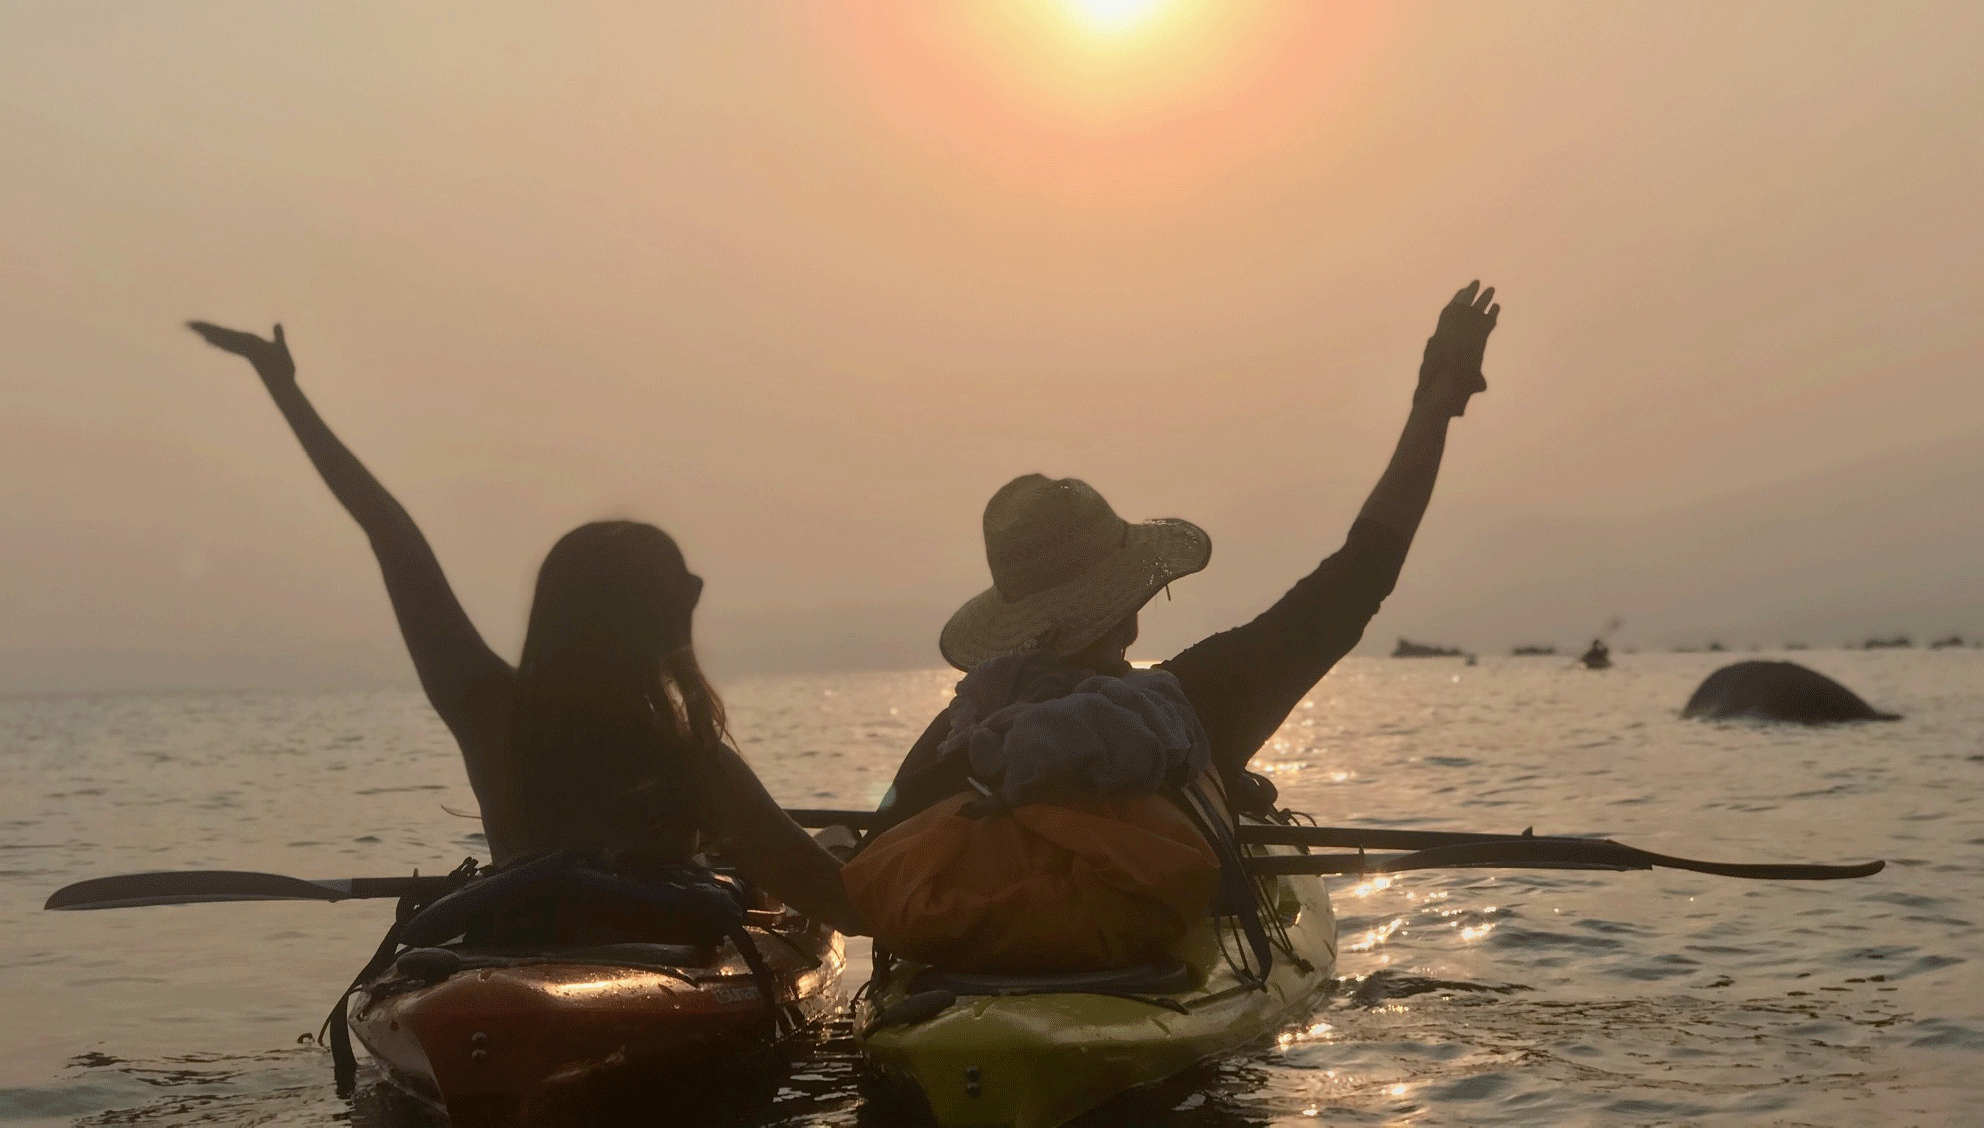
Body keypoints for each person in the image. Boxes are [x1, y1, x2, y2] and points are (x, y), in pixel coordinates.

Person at [188, 320, 860, 933]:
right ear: (647, 618)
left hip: (516, 954)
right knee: (827, 852)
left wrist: (285, 390)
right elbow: (845, 904)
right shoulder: (696, 762)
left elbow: (394, 540)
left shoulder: (487, 712)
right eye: (682, 583)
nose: (697, 591)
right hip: (651, 963)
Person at [880, 280, 1501, 825]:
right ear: (1126, 611)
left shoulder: (958, 739)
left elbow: (866, 874)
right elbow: (1360, 574)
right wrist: (1434, 404)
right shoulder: (1189, 706)